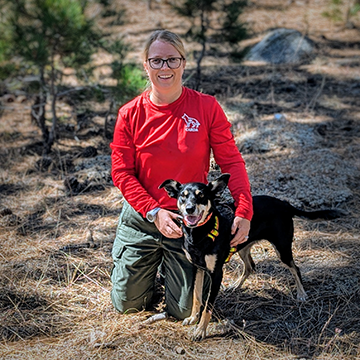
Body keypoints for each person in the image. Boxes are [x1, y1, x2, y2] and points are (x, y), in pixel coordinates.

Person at [110, 29, 253, 319]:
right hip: (143, 216)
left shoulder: (206, 107)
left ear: (184, 64)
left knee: (186, 310)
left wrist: (245, 210)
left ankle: (172, 270)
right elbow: (121, 172)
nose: (165, 68)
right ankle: (145, 268)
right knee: (127, 306)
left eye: (173, 60)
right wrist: (153, 212)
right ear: (145, 65)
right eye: (157, 61)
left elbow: (232, 162)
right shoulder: (129, 114)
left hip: (191, 220)